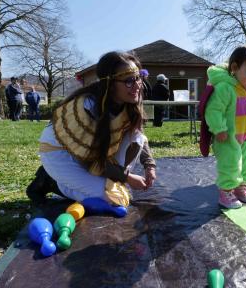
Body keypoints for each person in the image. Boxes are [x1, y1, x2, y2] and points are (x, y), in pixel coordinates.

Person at [26, 51, 157, 207]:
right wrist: (126, 177)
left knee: (138, 139)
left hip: (91, 156)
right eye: (129, 81)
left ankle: (84, 181)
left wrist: (149, 165)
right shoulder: (87, 107)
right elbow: (91, 160)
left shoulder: (130, 100)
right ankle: (49, 180)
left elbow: (139, 135)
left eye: (138, 78)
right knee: (117, 199)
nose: (137, 86)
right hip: (61, 153)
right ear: (110, 83)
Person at [205, 45, 246, 209]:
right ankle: (226, 192)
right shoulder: (226, 88)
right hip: (228, 136)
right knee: (230, 164)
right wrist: (219, 129)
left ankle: (241, 187)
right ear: (234, 68)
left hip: (245, 136)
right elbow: (214, 109)